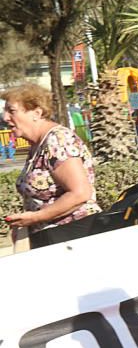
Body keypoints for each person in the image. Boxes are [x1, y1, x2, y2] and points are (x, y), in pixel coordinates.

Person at [2, 84, 102, 248]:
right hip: (54, 237)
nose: (5, 117)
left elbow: (80, 193)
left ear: (37, 112)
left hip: (74, 237)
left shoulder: (57, 140)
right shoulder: (37, 145)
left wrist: (35, 218)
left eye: (11, 111)